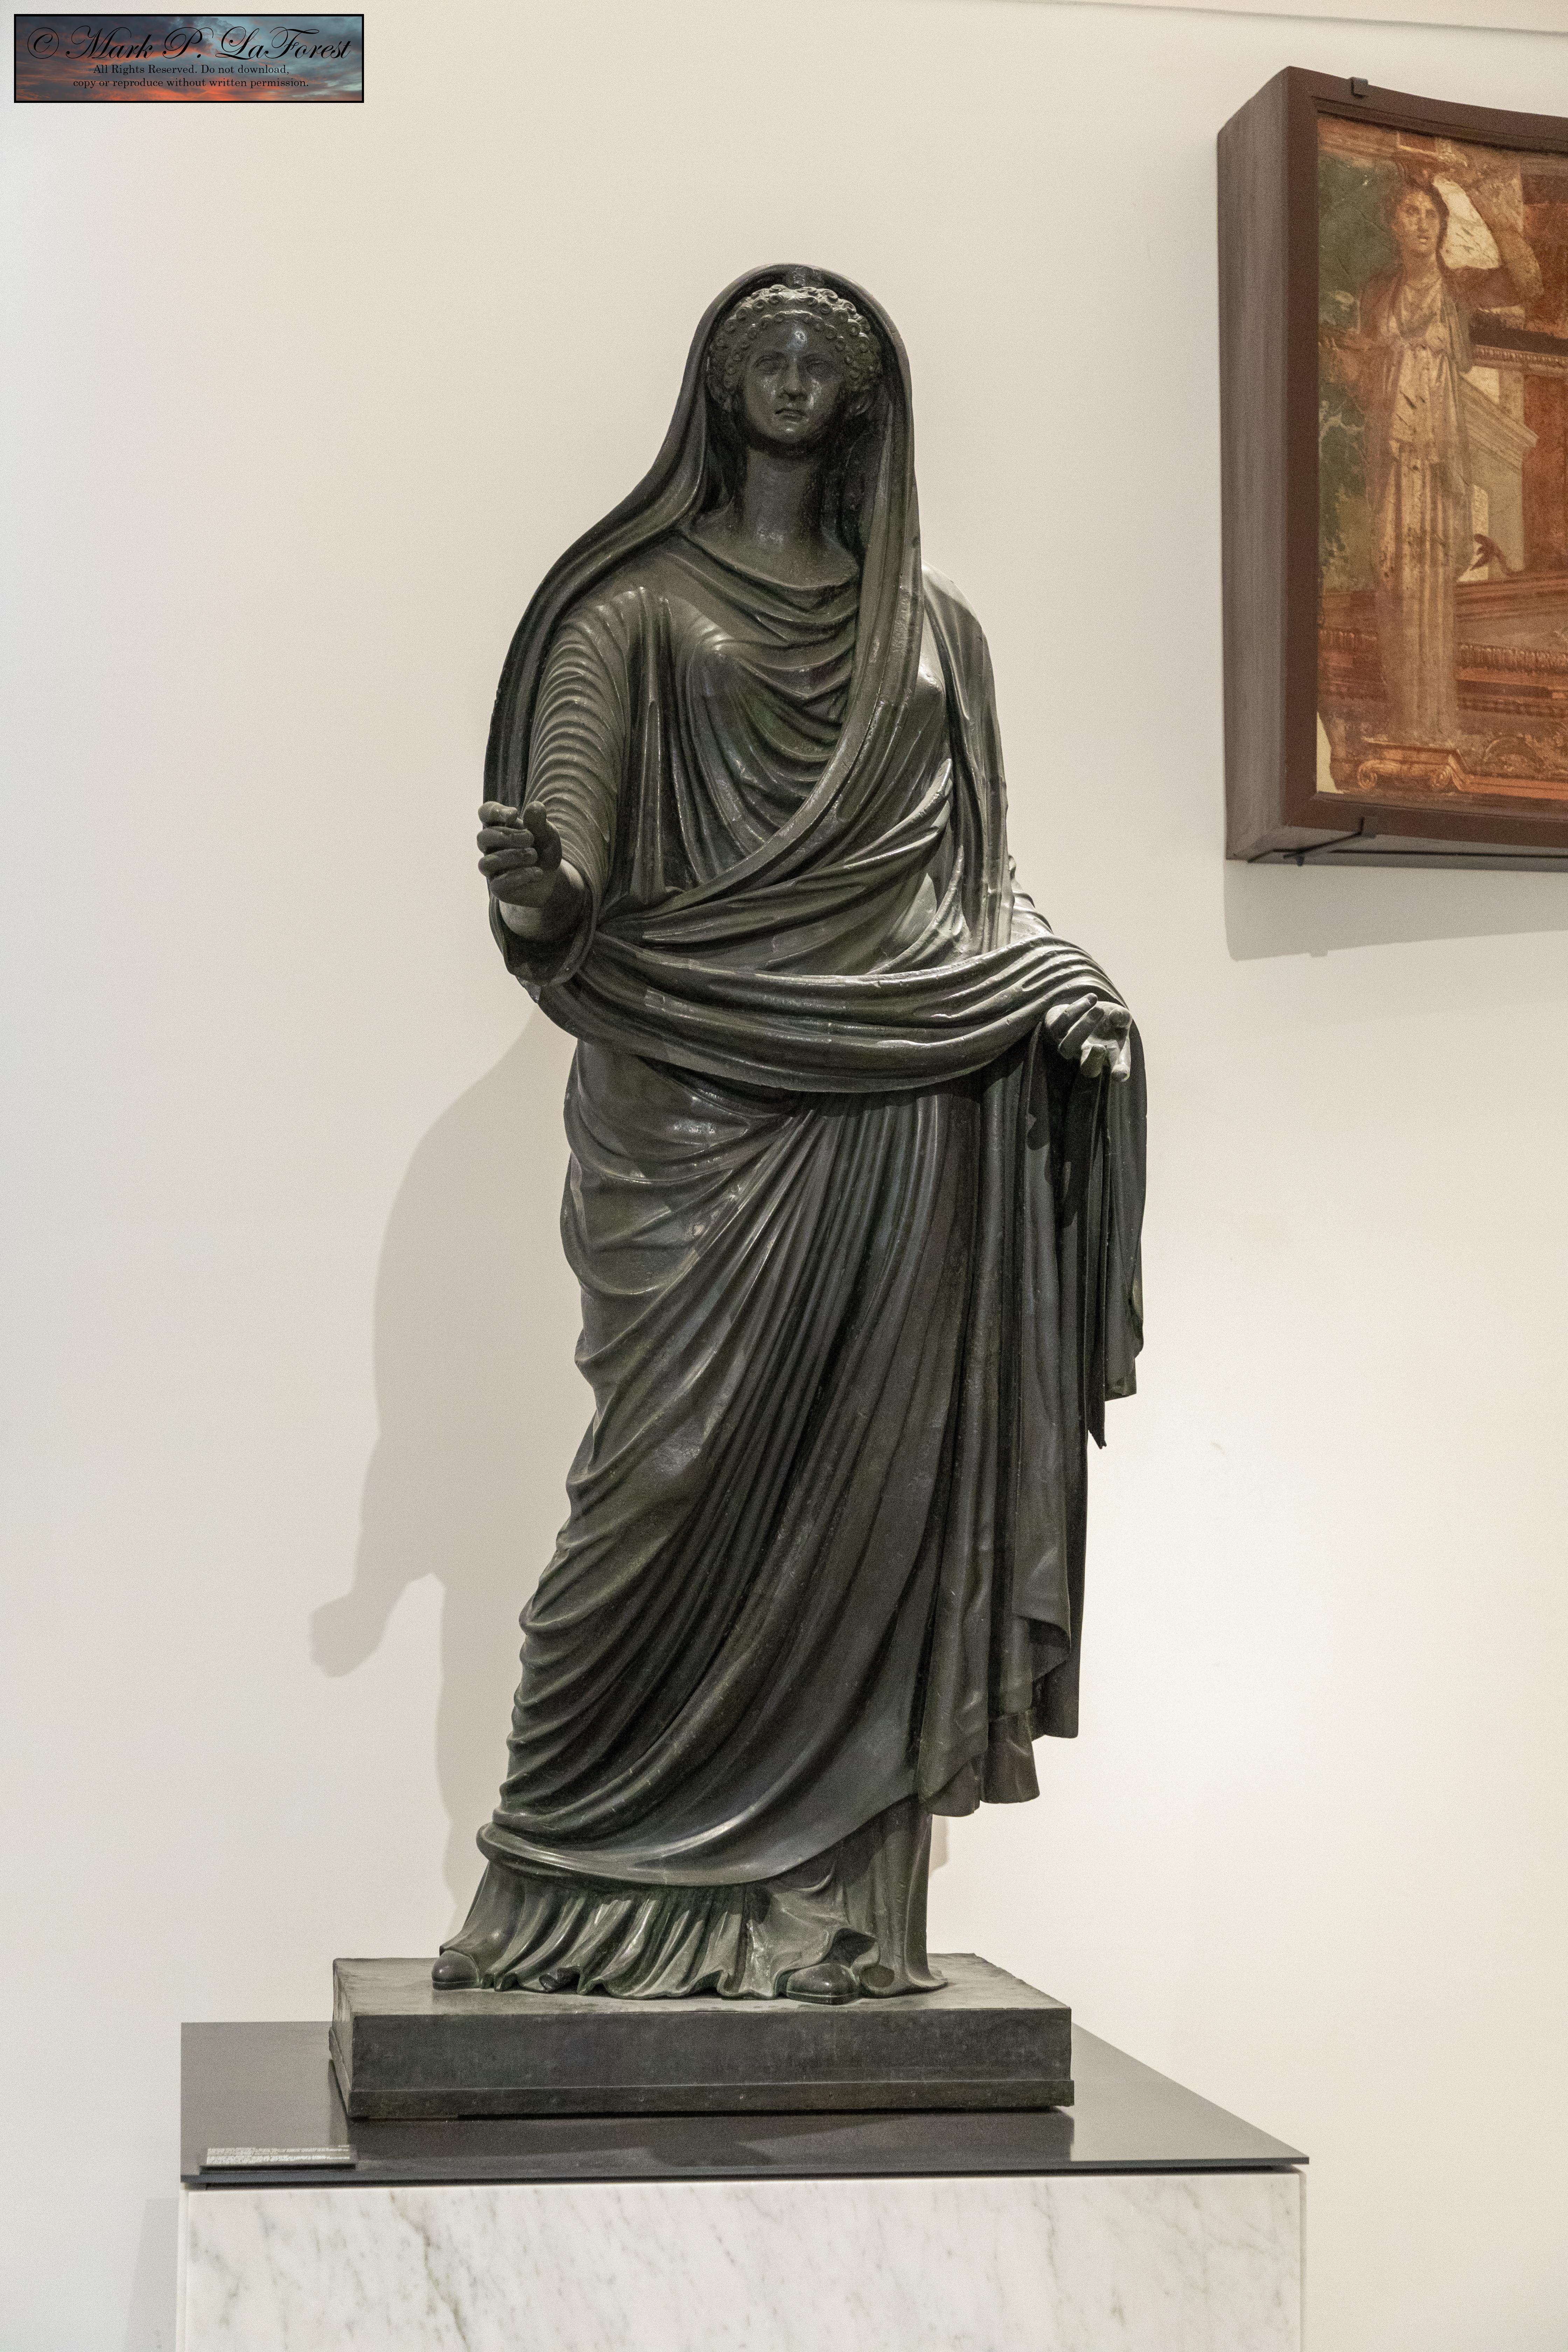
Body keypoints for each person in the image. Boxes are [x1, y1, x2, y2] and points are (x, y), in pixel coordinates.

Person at [433, 266, 1145, 2004]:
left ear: (872, 400)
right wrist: (546, 884)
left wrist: (1056, 980)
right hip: (688, 1095)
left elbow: (975, 880)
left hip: (902, 1110)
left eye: (831, 350)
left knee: (876, 1503)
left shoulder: (935, 631)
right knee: (662, 1475)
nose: (799, 367)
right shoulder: (634, 611)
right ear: (716, 382)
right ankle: (561, 1878)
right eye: (769, 344)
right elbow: (571, 828)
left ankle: (821, 1915)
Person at [1323, 146, 1541, 744]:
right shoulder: (1378, 294)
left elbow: (1529, 282)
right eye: (1411, 213)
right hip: (1393, 456)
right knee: (1396, 578)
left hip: (1440, 452)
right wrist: (1346, 364)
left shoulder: (1458, 288)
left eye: (1432, 215)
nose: (1422, 224)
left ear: (1443, 226)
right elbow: (1366, 382)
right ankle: (1403, 723)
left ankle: (1434, 726)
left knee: (1433, 580)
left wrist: (1487, 203)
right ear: (1393, 224)